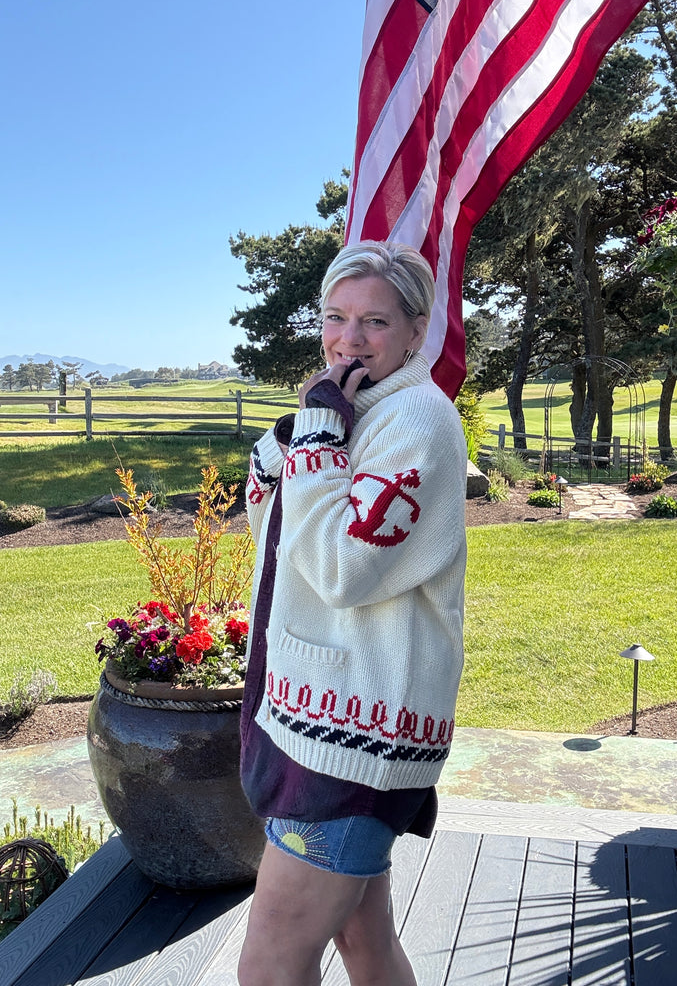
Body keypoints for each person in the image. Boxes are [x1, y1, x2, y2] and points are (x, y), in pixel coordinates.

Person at [236, 241, 468, 986]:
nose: (348, 338)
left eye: (374, 321)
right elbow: (281, 543)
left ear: (415, 331)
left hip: (351, 741)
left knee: (270, 965)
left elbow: (340, 567)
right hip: (314, 718)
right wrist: (292, 447)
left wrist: (317, 442)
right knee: (365, 944)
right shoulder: (352, 410)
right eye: (335, 317)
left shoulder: (416, 422)